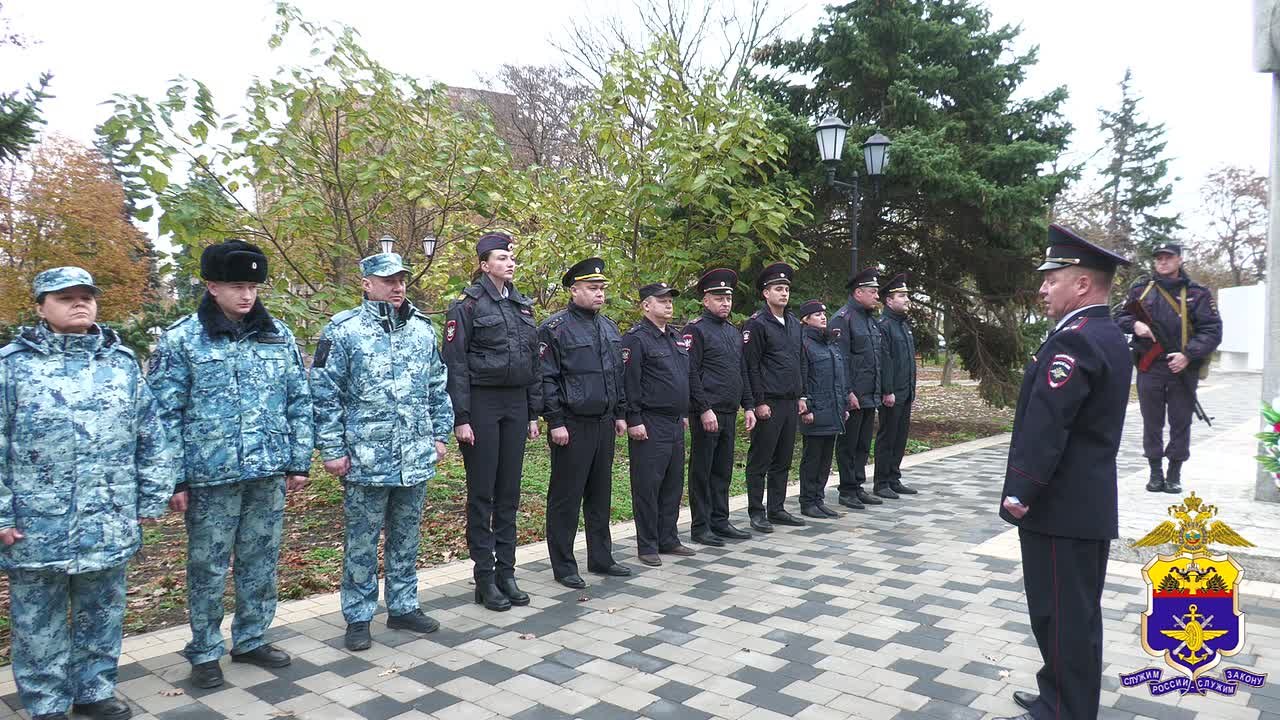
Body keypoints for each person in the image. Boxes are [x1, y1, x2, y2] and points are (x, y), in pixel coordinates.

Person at [1, 268, 177, 720]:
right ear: (40, 306)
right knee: (37, 622)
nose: (80, 304)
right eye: (65, 298)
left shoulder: (120, 364)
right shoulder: (11, 367)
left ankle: (94, 690)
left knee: (103, 611)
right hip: (36, 524)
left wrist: (151, 497)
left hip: (108, 517)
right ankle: (46, 703)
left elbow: (150, 434)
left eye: (86, 296)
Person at [148, 240, 314, 689]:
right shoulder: (182, 339)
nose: (247, 296)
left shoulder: (277, 335)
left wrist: (299, 460)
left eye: (254, 287)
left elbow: (298, 402)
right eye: (238, 286)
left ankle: (252, 637)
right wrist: (174, 477)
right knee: (208, 566)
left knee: (261, 559)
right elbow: (162, 414)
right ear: (212, 286)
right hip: (210, 476)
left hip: (266, 471)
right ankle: (204, 649)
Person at [996, 224, 1132, 720]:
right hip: (1082, 505)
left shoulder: (1075, 342)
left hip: (1061, 507)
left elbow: (1049, 426)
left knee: (1061, 616)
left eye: (1053, 278)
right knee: (1067, 612)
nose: (1042, 287)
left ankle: (1066, 710)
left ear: (1082, 284)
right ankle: (1057, 693)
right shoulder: (1103, 333)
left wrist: (1021, 491)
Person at [311, 251, 454, 650]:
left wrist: (440, 436)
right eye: (388, 280)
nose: (397, 287)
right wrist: (332, 448)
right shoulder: (343, 331)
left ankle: (404, 606)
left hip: (414, 456)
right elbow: (325, 395)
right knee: (361, 541)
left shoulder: (422, 330)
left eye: (402, 279)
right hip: (365, 459)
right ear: (366, 283)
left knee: (406, 537)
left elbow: (437, 387)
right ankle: (358, 616)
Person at [442, 232, 541, 612]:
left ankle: (507, 572)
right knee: (483, 494)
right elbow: (456, 364)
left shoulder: (522, 306)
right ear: (484, 265)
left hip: (515, 404)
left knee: (509, 494)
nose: (510, 262)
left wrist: (533, 412)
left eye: (511, 257)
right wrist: (461, 417)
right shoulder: (466, 306)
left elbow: (533, 364)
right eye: (501, 258)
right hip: (482, 403)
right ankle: (485, 577)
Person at [539, 258, 631, 588]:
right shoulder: (554, 329)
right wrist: (555, 421)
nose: (599, 294)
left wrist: (620, 413)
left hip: (604, 422)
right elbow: (547, 379)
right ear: (574, 290)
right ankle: (564, 565)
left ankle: (601, 558)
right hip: (572, 424)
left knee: (599, 495)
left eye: (602, 289)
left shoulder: (609, 328)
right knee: (566, 497)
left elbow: (616, 376)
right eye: (592, 289)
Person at [1113, 241, 1222, 494]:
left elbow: (1212, 330)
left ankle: (1174, 474)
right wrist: (1135, 326)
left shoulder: (1197, 293)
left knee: (1180, 421)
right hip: (1149, 365)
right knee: (1151, 421)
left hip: (1182, 368)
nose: (1163, 261)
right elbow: (1121, 317)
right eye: (1159, 258)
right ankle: (1154, 472)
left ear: (1180, 260)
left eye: (1168, 257)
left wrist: (1187, 354)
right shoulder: (1141, 289)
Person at [623, 282, 696, 566]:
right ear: (646, 305)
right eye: (662, 300)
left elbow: (682, 378)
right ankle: (647, 544)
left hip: (675, 421)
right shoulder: (636, 338)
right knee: (647, 485)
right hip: (649, 421)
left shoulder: (675, 338)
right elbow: (630, 382)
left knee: (672, 484)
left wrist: (685, 413)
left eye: (670, 300)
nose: (668, 304)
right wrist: (634, 419)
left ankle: (669, 537)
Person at [685, 268, 755, 546]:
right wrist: (703, 409)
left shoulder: (732, 331)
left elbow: (742, 371)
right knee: (702, 471)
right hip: (708, 413)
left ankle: (720, 520)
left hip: (728, 410)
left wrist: (748, 405)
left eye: (728, 298)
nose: (725, 303)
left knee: (723, 470)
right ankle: (700, 527)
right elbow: (691, 373)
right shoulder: (695, 330)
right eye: (718, 298)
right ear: (705, 301)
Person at [740, 262, 808, 533]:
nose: (784, 293)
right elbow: (750, 366)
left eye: (786, 289)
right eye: (778, 289)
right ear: (765, 293)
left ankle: (777, 508)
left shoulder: (792, 322)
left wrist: (802, 394)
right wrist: (758, 402)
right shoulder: (756, 324)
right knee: (761, 460)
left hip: (790, 401)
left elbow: (800, 360)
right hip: (769, 401)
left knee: (783, 458)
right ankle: (757, 512)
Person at [828, 267, 887, 508]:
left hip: (869, 393)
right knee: (848, 445)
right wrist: (848, 391)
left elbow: (874, 358)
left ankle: (858, 485)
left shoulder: (869, 321)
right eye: (873, 292)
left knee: (863, 444)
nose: (877, 296)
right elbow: (839, 359)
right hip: (852, 395)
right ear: (858, 292)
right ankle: (847, 489)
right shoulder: (843, 318)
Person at [795, 300, 848, 520]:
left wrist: (842, 404)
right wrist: (807, 408)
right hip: (815, 411)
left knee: (826, 459)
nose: (823, 317)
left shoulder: (829, 343)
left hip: (832, 409)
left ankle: (818, 499)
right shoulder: (804, 344)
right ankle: (807, 501)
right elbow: (803, 378)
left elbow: (839, 378)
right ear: (806, 320)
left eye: (823, 313)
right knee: (812, 459)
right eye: (817, 315)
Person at [873, 273, 919, 497]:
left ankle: (894, 477)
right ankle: (881, 482)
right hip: (892, 393)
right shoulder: (885, 325)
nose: (906, 299)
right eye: (901, 295)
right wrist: (887, 390)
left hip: (905, 391)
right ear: (889, 301)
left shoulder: (903, 325)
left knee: (900, 437)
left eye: (906, 295)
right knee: (887, 436)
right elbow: (885, 361)